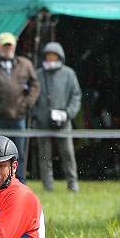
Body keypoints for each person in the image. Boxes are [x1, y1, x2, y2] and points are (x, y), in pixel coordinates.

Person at [0, 32, 39, 183]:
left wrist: (27, 102)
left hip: (19, 116)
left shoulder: (25, 64)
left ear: (15, 46)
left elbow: (35, 86)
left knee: (19, 154)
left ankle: (19, 182)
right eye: (4, 45)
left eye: (9, 45)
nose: (7, 48)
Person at [31, 42, 82, 192]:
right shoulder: (38, 74)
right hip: (42, 123)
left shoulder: (69, 74)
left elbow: (76, 96)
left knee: (68, 154)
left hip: (64, 122)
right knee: (44, 156)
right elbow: (31, 98)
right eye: (48, 55)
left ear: (60, 57)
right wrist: (38, 114)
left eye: (54, 55)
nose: (51, 58)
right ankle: (48, 186)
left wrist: (67, 114)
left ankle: (72, 184)